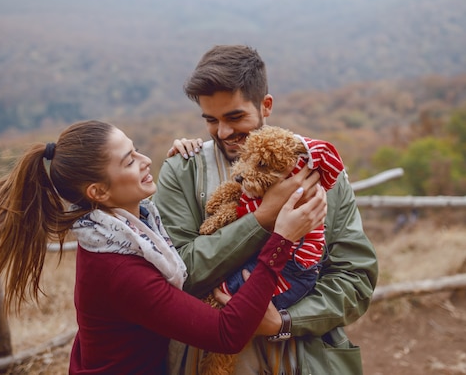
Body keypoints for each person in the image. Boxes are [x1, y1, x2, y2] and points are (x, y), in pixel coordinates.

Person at [0, 119, 328, 375]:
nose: (143, 160)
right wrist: (283, 239)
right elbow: (226, 334)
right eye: (128, 160)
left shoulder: (129, 230)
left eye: (136, 149)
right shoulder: (119, 267)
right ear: (98, 191)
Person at [155, 45, 379, 374]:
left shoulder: (318, 171)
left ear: (266, 105)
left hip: (304, 361)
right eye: (211, 120)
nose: (224, 132)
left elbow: (355, 277)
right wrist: (263, 218)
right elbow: (176, 274)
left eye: (235, 117)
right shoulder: (182, 171)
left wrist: (285, 321)